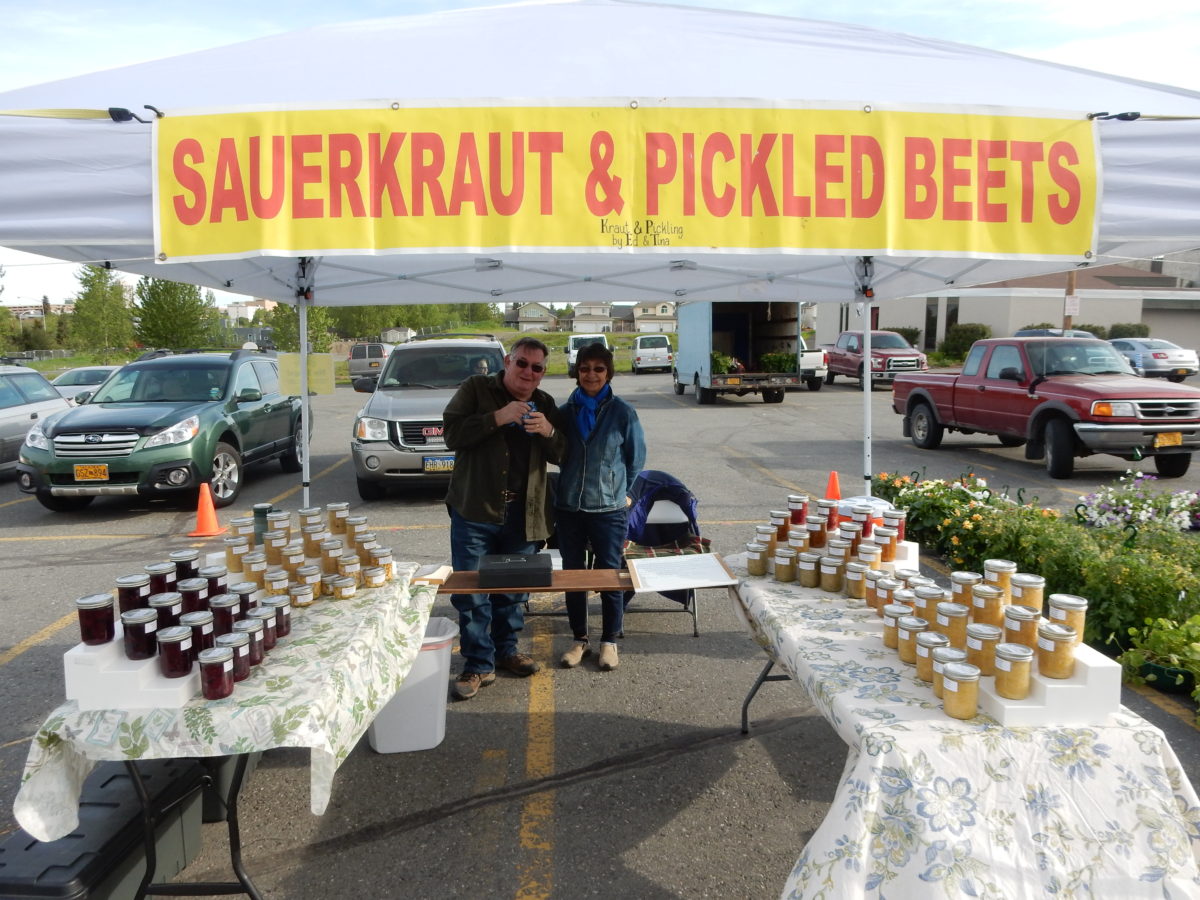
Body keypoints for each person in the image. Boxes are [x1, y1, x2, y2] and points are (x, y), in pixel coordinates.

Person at [443, 337, 566, 700]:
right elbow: (451, 434)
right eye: (522, 363)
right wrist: (498, 417)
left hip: (523, 514)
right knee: (472, 590)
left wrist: (550, 432)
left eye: (537, 368)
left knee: (512, 590)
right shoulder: (476, 389)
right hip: (475, 509)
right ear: (508, 362)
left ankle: (507, 651)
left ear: (543, 374)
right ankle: (478, 664)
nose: (528, 372)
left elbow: (563, 452)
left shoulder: (544, 404)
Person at [554, 342, 646, 672]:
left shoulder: (623, 412)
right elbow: (555, 454)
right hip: (569, 508)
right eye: (584, 368)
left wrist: (621, 491)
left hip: (608, 510)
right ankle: (579, 639)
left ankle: (610, 642)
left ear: (608, 373)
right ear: (576, 372)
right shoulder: (565, 413)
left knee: (610, 575)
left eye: (598, 368)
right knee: (573, 576)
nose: (591, 374)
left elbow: (636, 459)